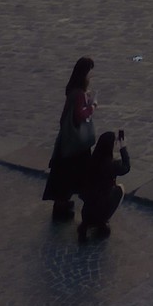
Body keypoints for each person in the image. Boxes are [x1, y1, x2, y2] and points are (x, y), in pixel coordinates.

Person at [43, 58, 97, 221]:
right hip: (76, 145)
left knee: (62, 175)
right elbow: (79, 116)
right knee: (73, 174)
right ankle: (65, 206)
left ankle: (61, 204)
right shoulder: (79, 94)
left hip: (66, 141)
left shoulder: (72, 91)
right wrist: (92, 107)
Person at [77, 129, 130, 242]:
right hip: (101, 207)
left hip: (87, 209)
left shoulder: (91, 161)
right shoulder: (111, 165)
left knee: (96, 196)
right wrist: (123, 148)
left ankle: (88, 224)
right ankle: (103, 220)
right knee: (120, 189)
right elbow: (126, 167)